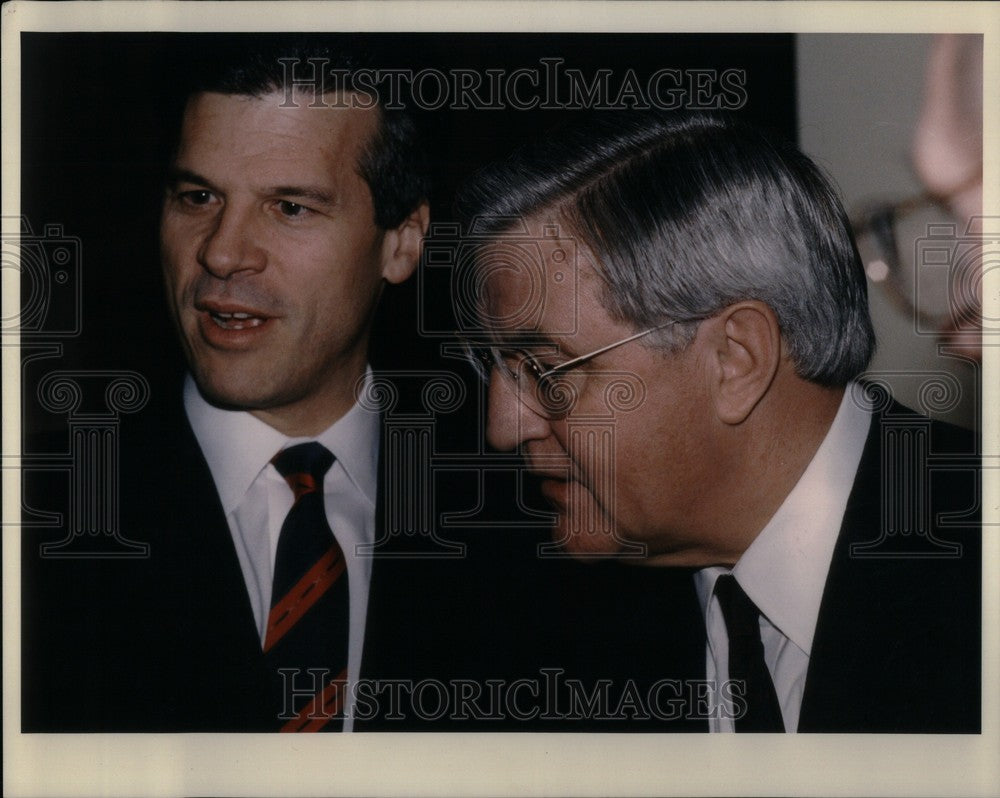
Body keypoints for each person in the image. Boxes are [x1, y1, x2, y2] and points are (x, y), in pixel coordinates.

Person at [22, 42, 531, 733]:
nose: (221, 252)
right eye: (197, 196)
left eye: (290, 207)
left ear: (403, 242)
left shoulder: (532, 515)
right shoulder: (38, 517)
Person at [455, 111, 981, 732]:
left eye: (545, 371)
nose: (504, 426)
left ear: (736, 359)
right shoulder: (538, 632)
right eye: (497, 368)